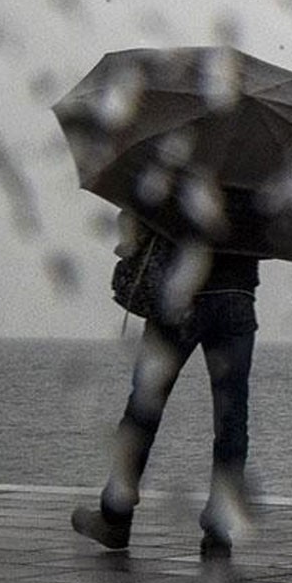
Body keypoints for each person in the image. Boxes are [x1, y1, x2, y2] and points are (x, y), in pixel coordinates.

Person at [72, 209, 260, 554]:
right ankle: (219, 528)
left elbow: (143, 217)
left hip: (178, 296)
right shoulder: (262, 168)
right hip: (236, 298)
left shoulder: (182, 160)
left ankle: (116, 515)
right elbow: (269, 237)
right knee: (232, 416)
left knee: (144, 408)